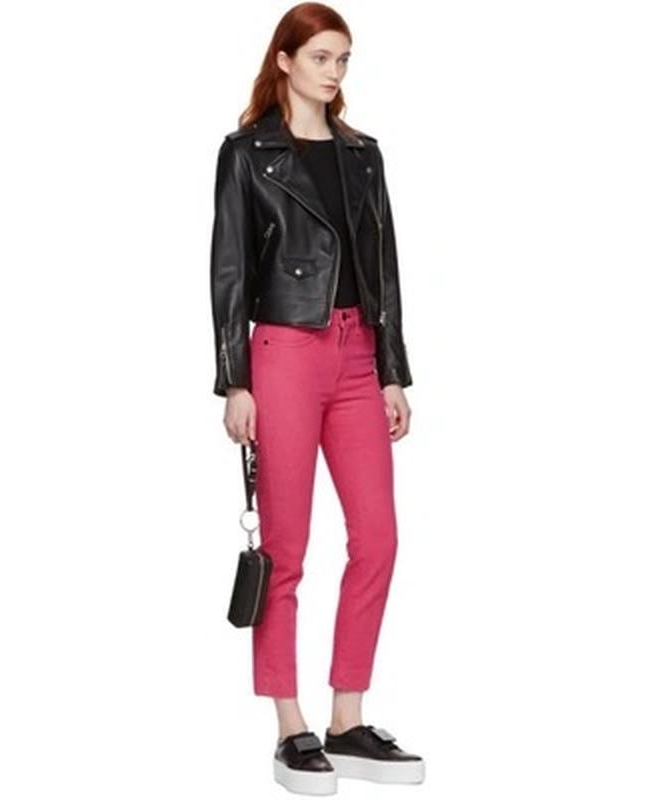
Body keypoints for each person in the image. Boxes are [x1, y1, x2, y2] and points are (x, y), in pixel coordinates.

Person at [209, 3, 424, 793]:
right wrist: (235, 379)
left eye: (343, 59)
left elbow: (384, 269)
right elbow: (229, 270)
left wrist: (393, 371)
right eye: (322, 57)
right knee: (286, 551)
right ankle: (290, 726)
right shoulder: (248, 154)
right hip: (284, 356)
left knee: (378, 539)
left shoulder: (364, 155)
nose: (334, 72)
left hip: (359, 356)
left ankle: (347, 719)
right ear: (286, 61)